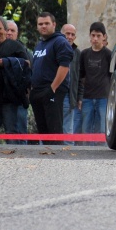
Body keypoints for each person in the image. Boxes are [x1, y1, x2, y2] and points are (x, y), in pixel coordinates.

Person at [30, 12, 73, 143]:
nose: (43, 26)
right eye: (40, 24)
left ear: (54, 25)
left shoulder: (60, 42)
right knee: (43, 131)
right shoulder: (40, 45)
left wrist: (52, 88)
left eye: (47, 23)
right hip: (37, 92)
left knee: (54, 131)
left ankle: (57, 160)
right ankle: (47, 158)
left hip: (52, 91)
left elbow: (64, 66)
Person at [0, 17, 31, 144]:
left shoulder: (15, 45)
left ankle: (15, 159)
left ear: (5, 30)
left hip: (9, 97)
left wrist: (7, 62)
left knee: (11, 131)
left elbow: (27, 63)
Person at [78, 22, 112, 143]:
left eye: (98, 35)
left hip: (103, 97)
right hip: (87, 97)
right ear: (90, 36)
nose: (95, 39)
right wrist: (80, 97)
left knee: (102, 128)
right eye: (93, 35)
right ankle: (86, 152)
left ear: (104, 37)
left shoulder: (109, 54)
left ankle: (101, 153)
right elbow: (80, 75)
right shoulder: (84, 54)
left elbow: (112, 75)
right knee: (86, 128)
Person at [61, 23, 81, 145]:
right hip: (56, 93)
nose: (69, 36)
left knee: (68, 129)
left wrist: (79, 97)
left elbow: (79, 77)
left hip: (69, 95)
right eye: (67, 34)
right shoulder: (55, 48)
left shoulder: (77, 53)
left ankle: (68, 155)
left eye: (72, 34)